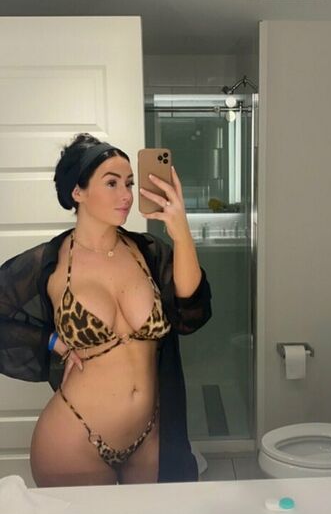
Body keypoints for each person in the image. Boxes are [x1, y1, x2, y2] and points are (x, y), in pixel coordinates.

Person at [0, 133, 211, 486]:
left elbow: (192, 312)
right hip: (74, 440)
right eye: (111, 183)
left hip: (149, 437)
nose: (126, 195)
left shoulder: (148, 251)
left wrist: (181, 232)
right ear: (77, 192)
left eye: (129, 183)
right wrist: (52, 342)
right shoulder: (50, 262)